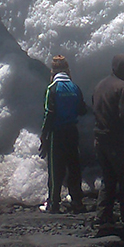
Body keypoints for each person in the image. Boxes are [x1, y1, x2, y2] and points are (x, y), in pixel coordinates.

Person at [92, 54, 124, 236]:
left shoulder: (99, 86)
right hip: (116, 140)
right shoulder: (123, 88)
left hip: (99, 139)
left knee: (108, 179)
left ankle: (102, 219)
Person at [40, 55, 87, 213]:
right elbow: (82, 110)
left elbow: (49, 113)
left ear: (53, 71)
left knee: (55, 168)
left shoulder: (52, 88)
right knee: (74, 166)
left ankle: (53, 203)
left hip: (57, 132)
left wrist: (44, 134)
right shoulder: (75, 87)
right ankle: (77, 201)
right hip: (72, 131)